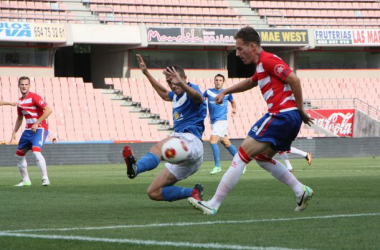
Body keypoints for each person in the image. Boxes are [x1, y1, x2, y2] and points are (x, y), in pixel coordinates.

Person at [188, 26, 314, 215]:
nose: (237, 54)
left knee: (241, 156)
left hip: (281, 115)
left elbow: (294, 80)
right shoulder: (262, 65)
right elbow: (250, 82)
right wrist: (226, 91)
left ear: (252, 46)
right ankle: (300, 190)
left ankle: (213, 203)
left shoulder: (268, 60)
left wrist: (301, 109)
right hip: (289, 118)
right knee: (263, 158)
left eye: (240, 48)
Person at [122, 54, 207, 203]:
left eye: (175, 81)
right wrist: (146, 73)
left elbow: (198, 98)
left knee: (157, 149)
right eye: (170, 82)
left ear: (184, 78)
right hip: (190, 158)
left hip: (190, 140)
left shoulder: (192, 90)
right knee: (153, 192)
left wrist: (181, 83)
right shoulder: (175, 96)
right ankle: (193, 192)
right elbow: (163, 93)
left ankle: (136, 168)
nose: (173, 85)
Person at [10, 76, 53, 187]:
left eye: (26, 84)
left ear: (29, 85)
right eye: (22, 84)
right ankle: (26, 180)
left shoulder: (34, 97)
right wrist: (14, 132)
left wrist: (37, 122)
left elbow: (48, 110)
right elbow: (20, 118)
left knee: (36, 151)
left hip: (39, 128)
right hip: (28, 130)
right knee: (19, 155)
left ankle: (45, 178)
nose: (24, 86)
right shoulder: (20, 102)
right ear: (19, 86)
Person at [204, 74, 241, 175]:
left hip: (222, 121)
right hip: (213, 121)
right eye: (216, 80)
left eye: (220, 80)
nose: (218, 82)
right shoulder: (208, 92)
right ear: (214, 81)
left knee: (212, 141)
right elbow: (201, 101)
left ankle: (217, 166)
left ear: (223, 82)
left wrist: (234, 109)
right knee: (226, 143)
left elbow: (233, 102)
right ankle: (242, 162)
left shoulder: (227, 93)